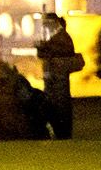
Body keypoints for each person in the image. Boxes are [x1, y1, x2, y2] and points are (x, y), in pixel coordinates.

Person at [35, 11, 83, 140]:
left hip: (58, 78)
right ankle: (60, 132)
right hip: (55, 78)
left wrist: (44, 47)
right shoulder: (58, 36)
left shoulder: (61, 37)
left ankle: (62, 133)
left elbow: (58, 53)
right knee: (56, 106)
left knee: (60, 106)